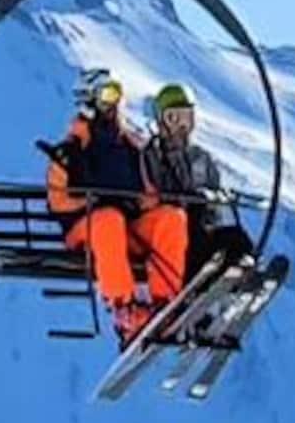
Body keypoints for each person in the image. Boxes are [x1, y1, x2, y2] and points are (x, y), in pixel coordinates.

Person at [45, 70, 189, 345]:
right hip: (87, 228)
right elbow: (58, 202)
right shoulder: (70, 151)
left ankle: (163, 304)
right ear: (89, 101)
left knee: (171, 218)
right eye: (107, 95)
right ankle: (124, 308)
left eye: (117, 94)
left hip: (126, 226)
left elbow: (148, 191)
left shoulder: (130, 147)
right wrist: (92, 202)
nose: (114, 103)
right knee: (109, 220)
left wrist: (146, 202)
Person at [144, 82, 254, 281]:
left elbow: (214, 189)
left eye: (187, 118)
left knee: (233, 236)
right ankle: (193, 283)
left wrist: (215, 199)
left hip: (202, 223)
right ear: (160, 121)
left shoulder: (200, 158)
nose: (181, 126)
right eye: (173, 118)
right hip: (171, 229)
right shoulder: (152, 155)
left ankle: (244, 272)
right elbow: (153, 190)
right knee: (192, 223)